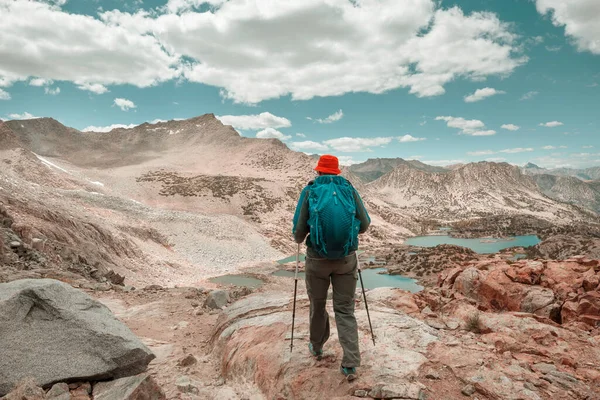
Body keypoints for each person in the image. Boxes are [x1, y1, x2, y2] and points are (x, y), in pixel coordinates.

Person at [292, 154, 371, 381]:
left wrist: (305, 236)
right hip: (347, 260)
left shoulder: (310, 191)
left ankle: (317, 347)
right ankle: (350, 364)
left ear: (318, 171)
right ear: (337, 171)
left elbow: (298, 233)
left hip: (316, 261)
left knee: (317, 305)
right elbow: (364, 224)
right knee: (345, 310)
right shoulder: (348, 189)